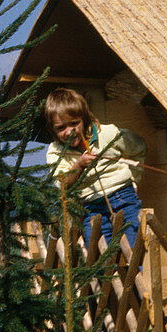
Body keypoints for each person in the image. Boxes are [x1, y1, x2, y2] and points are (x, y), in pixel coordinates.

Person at [44, 88, 146, 247]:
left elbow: (139, 147)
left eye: (74, 124)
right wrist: (79, 165)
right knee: (98, 256)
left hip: (123, 196)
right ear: (52, 129)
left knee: (133, 249)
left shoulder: (109, 134)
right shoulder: (56, 151)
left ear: (84, 118)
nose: (69, 132)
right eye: (61, 128)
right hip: (90, 207)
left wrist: (134, 179)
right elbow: (61, 183)